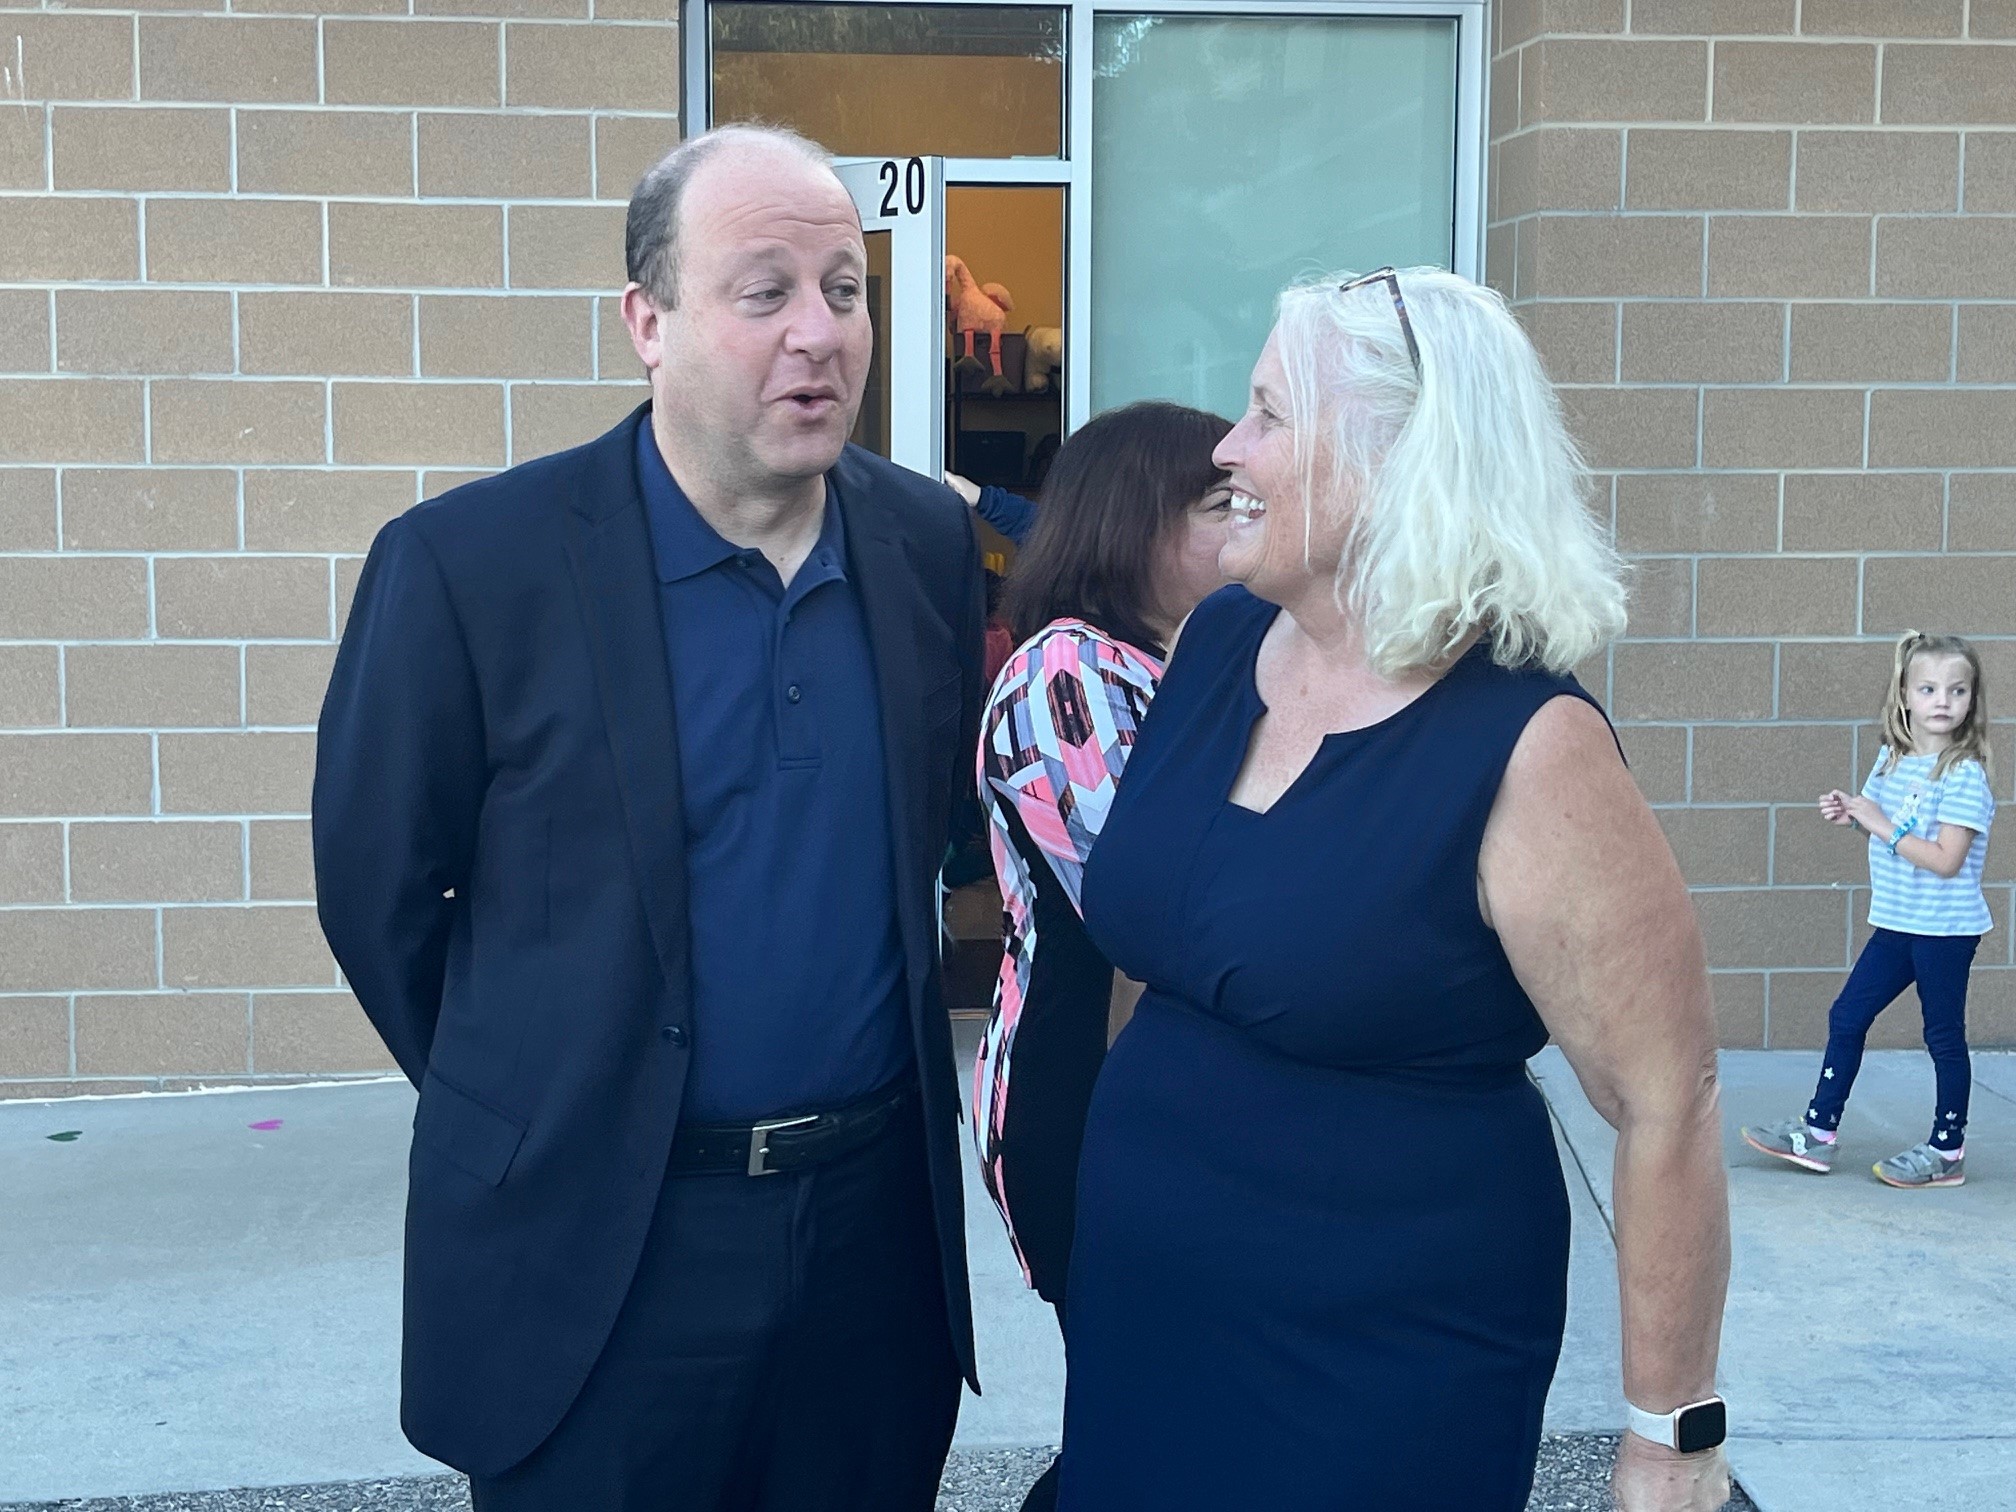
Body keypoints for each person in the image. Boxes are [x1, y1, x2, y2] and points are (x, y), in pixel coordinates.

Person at [312, 124, 983, 1511]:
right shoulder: (468, 568)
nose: (820, 335)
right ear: (648, 322)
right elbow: (379, 896)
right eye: (765, 292)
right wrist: (548, 1095)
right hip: (603, 1249)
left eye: (845, 291)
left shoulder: (922, 542)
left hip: (869, 1243)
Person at [1055, 268, 1734, 1512]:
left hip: (1383, 1351)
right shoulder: (1214, 646)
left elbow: (1666, 1097)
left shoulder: (1529, 746)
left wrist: (1668, 1438)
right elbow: (1157, 960)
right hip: (1147, 1314)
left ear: (1396, 459)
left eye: (1268, 414)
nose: (1226, 446)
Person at [971, 401, 1233, 1512]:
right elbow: (1158, 910)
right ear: (1140, 522)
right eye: (1224, 506)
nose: (1252, 526)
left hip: (1160, 1084)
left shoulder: (1185, 662)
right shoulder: (1069, 674)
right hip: (1084, 1087)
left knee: (1182, 1409)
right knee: (1143, 1420)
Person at [1743, 632, 1995, 1190]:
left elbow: (1946, 860)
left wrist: (1881, 823)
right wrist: (1853, 815)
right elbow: (1879, 827)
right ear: (1904, 695)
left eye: (1957, 690)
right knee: (1848, 1016)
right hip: (1898, 922)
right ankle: (1818, 1134)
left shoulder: (1963, 776)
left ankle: (1947, 1149)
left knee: (1943, 1036)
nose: (1942, 701)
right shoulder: (1892, 759)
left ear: (1971, 700)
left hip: (1944, 930)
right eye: (1928, 688)